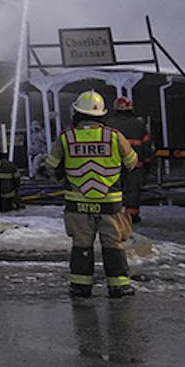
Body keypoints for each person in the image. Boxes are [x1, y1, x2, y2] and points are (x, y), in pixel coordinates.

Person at [45, 91, 139, 299]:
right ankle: (119, 286)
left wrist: (67, 182)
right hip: (110, 204)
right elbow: (132, 163)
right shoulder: (114, 136)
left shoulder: (66, 138)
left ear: (76, 113)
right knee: (113, 245)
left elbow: (50, 167)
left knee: (81, 245)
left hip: (77, 204)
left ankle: (80, 287)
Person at [108, 96, 153, 224]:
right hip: (135, 164)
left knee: (113, 189)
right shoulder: (139, 124)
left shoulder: (109, 124)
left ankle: (113, 214)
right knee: (133, 190)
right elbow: (146, 145)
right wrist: (148, 162)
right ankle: (132, 215)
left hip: (113, 165)